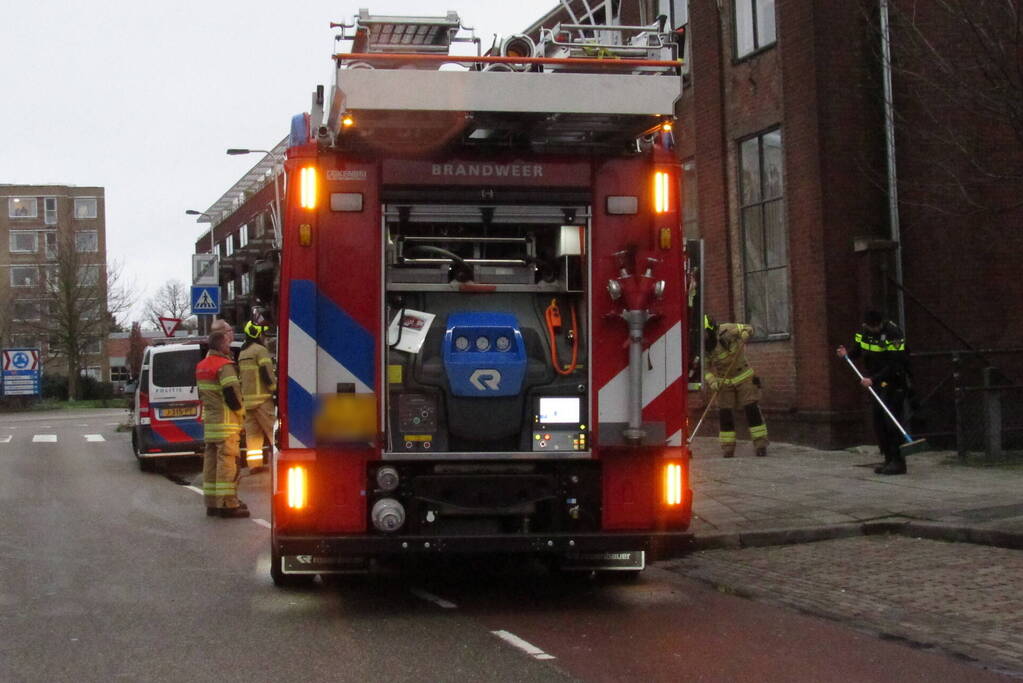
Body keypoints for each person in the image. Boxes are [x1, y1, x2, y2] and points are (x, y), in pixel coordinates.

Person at [837, 310, 910, 475]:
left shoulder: (894, 333)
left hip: (893, 383)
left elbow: (896, 363)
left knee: (891, 423)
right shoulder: (864, 332)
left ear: (881, 323)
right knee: (879, 423)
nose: (875, 330)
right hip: (876, 384)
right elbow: (858, 349)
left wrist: (874, 379)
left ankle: (898, 462)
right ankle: (888, 459)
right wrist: (847, 353)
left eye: (877, 327)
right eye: (871, 327)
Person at [196, 320, 248, 517]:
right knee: (228, 464)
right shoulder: (224, 366)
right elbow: (233, 397)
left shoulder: (201, 366)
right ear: (221, 345)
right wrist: (242, 415)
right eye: (227, 343)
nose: (229, 346)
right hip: (226, 425)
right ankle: (228, 504)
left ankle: (212, 503)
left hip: (210, 424)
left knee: (210, 464)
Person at [703, 315, 768, 458]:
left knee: (751, 409)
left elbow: (748, 328)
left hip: (743, 376)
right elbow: (705, 368)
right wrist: (712, 381)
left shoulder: (727, 329)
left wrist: (746, 333)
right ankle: (728, 448)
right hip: (724, 382)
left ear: (711, 329)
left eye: (706, 333)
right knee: (725, 414)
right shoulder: (705, 348)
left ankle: (760, 444)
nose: (705, 337)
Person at [238, 320, 276, 473]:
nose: (264, 336)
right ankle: (277, 462)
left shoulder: (243, 353)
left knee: (253, 436)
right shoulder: (260, 350)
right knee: (274, 432)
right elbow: (266, 373)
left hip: (248, 402)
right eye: (262, 333)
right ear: (256, 333)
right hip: (262, 400)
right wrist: (275, 390)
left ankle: (255, 466)